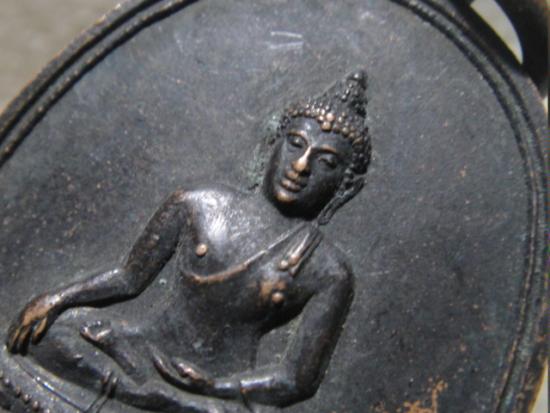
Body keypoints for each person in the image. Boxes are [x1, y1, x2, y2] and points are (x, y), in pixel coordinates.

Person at [5, 71, 371, 413]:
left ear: (346, 186)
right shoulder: (199, 203)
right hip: (140, 349)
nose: (301, 166)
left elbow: (297, 380)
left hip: (209, 385)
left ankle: (143, 397)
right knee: (53, 333)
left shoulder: (328, 270)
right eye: (296, 144)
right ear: (272, 144)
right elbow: (129, 277)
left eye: (326, 163)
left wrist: (217, 387)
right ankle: (146, 397)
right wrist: (57, 300)